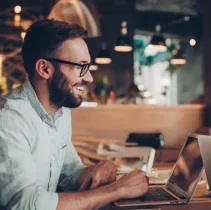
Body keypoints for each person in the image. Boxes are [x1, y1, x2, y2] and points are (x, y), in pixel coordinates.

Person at [0, 19, 148, 210]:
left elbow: (70, 175)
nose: (89, 77)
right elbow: (26, 204)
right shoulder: (10, 119)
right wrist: (116, 190)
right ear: (44, 68)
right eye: (81, 66)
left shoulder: (60, 112)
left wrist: (101, 169)